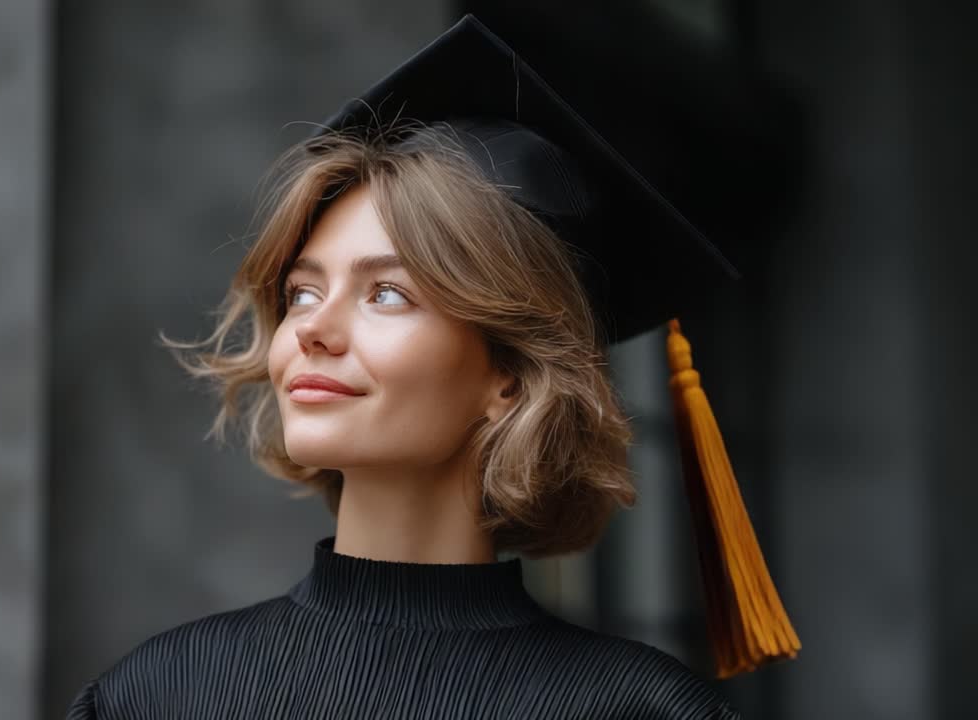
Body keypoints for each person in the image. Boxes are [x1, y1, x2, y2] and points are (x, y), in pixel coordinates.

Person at [66, 14, 798, 719]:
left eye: (386, 293)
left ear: (509, 377)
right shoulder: (161, 697)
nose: (312, 328)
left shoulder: (637, 711)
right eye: (302, 291)